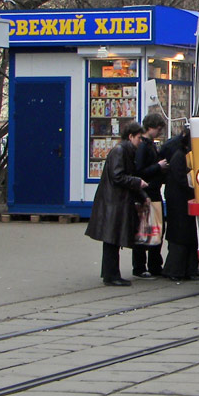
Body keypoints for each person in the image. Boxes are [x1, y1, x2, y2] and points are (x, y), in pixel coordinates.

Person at [85, 122, 149, 286]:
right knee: (112, 239)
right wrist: (137, 182)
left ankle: (112, 273)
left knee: (113, 239)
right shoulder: (120, 152)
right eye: (139, 138)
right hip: (113, 202)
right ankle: (111, 275)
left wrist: (142, 194)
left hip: (115, 201)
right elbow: (118, 176)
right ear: (131, 136)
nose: (141, 142)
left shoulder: (124, 151)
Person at [161, 129, 199, 281]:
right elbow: (182, 180)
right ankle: (176, 269)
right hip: (179, 201)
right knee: (182, 234)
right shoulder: (180, 156)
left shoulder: (180, 155)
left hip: (179, 199)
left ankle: (185, 268)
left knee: (185, 234)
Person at [132, 113, 169, 278]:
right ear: (150, 128)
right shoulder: (143, 147)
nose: (159, 132)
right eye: (158, 128)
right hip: (147, 194)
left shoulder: (148, 145)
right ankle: (142, 266)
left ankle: (153, 265)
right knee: (146, 231)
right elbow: (140, 171)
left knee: (154, 229)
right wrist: (158, 167)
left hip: (152, 192)